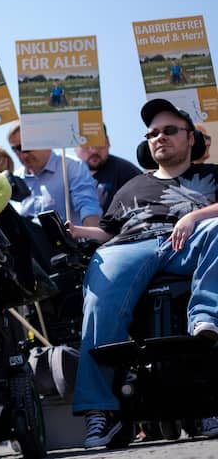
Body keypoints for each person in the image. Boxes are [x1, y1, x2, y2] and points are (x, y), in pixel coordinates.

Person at [68, 99, 218, 447]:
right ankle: (100, 410)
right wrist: (75, 231)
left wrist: (193, 216)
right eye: (152, 134)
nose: (159, 137)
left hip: (190, 240)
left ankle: (205, 317)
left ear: (191, 137)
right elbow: (107, 232)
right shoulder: (132, 186)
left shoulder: (212, 174)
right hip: (132, 245)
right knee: (99, 295)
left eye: (169, 130)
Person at [8, 122, 102, 226]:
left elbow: (88, 205)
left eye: (27, 147)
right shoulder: (15, 179)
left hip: (69, 236)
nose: (23, 155)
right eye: (16, 149)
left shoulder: (71, 167)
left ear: (46, 142)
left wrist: (92, 233)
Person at [74, 124, 142, 213]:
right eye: (86, 143)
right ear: (75, 146)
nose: (94, 150)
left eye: (98, 143)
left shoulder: (127, 173)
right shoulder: (67, 177)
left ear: (107, 142)